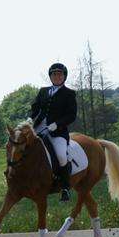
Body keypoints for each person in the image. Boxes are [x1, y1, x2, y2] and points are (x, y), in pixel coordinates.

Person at [30, 62, 77, 201]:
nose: (57, 76)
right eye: (54, 74)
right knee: (21, 145)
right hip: (39, 128)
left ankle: (64, 187)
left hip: (57, 131)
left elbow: (71, 115)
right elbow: (35, 108)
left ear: (64, 76)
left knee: (62, 156)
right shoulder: (43, 91)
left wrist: (57, 124)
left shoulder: (69, 94)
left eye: (59, 74)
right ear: (50, 76)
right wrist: (29, 118)